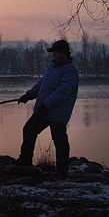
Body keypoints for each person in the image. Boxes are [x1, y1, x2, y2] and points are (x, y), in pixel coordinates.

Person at [17, 40, 79, 178]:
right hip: (44, 109)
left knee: (59, 140)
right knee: (29, 129)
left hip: (57, 112)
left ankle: (62, 171)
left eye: (55, 52)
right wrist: (29, 95)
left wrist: (46, 104)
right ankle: (25, 160)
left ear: (63, 52)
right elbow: (42, 84)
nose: (54, 54)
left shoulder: (70, 70)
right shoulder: (52, 67)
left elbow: (64, 91)